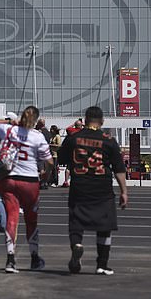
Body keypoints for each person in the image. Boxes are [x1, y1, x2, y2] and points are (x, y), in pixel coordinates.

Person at [58, 106, 128, 276]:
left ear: (85, 119)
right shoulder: (109, 140)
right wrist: (124, 191)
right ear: (102, 121)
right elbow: (119, 168)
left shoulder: (74, 138)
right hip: (102, 188)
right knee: (105, 226)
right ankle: (102, 264)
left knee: (76, 221)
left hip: (79, 186)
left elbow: (62, 159)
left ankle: (76, 245)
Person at [0, 106, 53, 273]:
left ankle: (10, 258)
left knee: (11, 218)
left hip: (9, 178)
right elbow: (49, 161)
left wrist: (10, 121)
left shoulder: (9, 130)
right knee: (31, 220)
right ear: (36, 120)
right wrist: (45, 175)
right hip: (29, 180)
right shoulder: (38, 136)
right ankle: (34, 257)